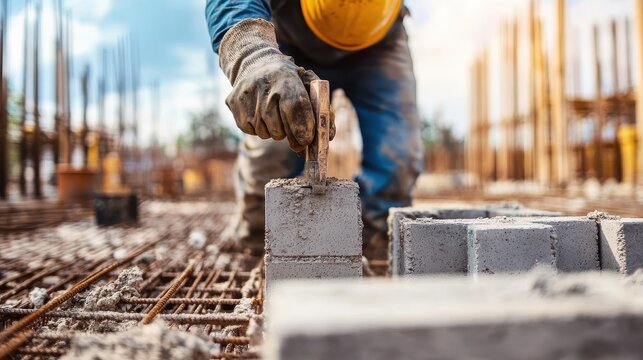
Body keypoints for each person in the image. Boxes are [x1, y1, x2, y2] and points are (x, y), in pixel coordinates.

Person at [205, 0, 424, 257]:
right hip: (290, 37)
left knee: (398, 157)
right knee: (271, 153)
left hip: (379, 40)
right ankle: (258, 242)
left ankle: (375, 246)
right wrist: (253, 56)